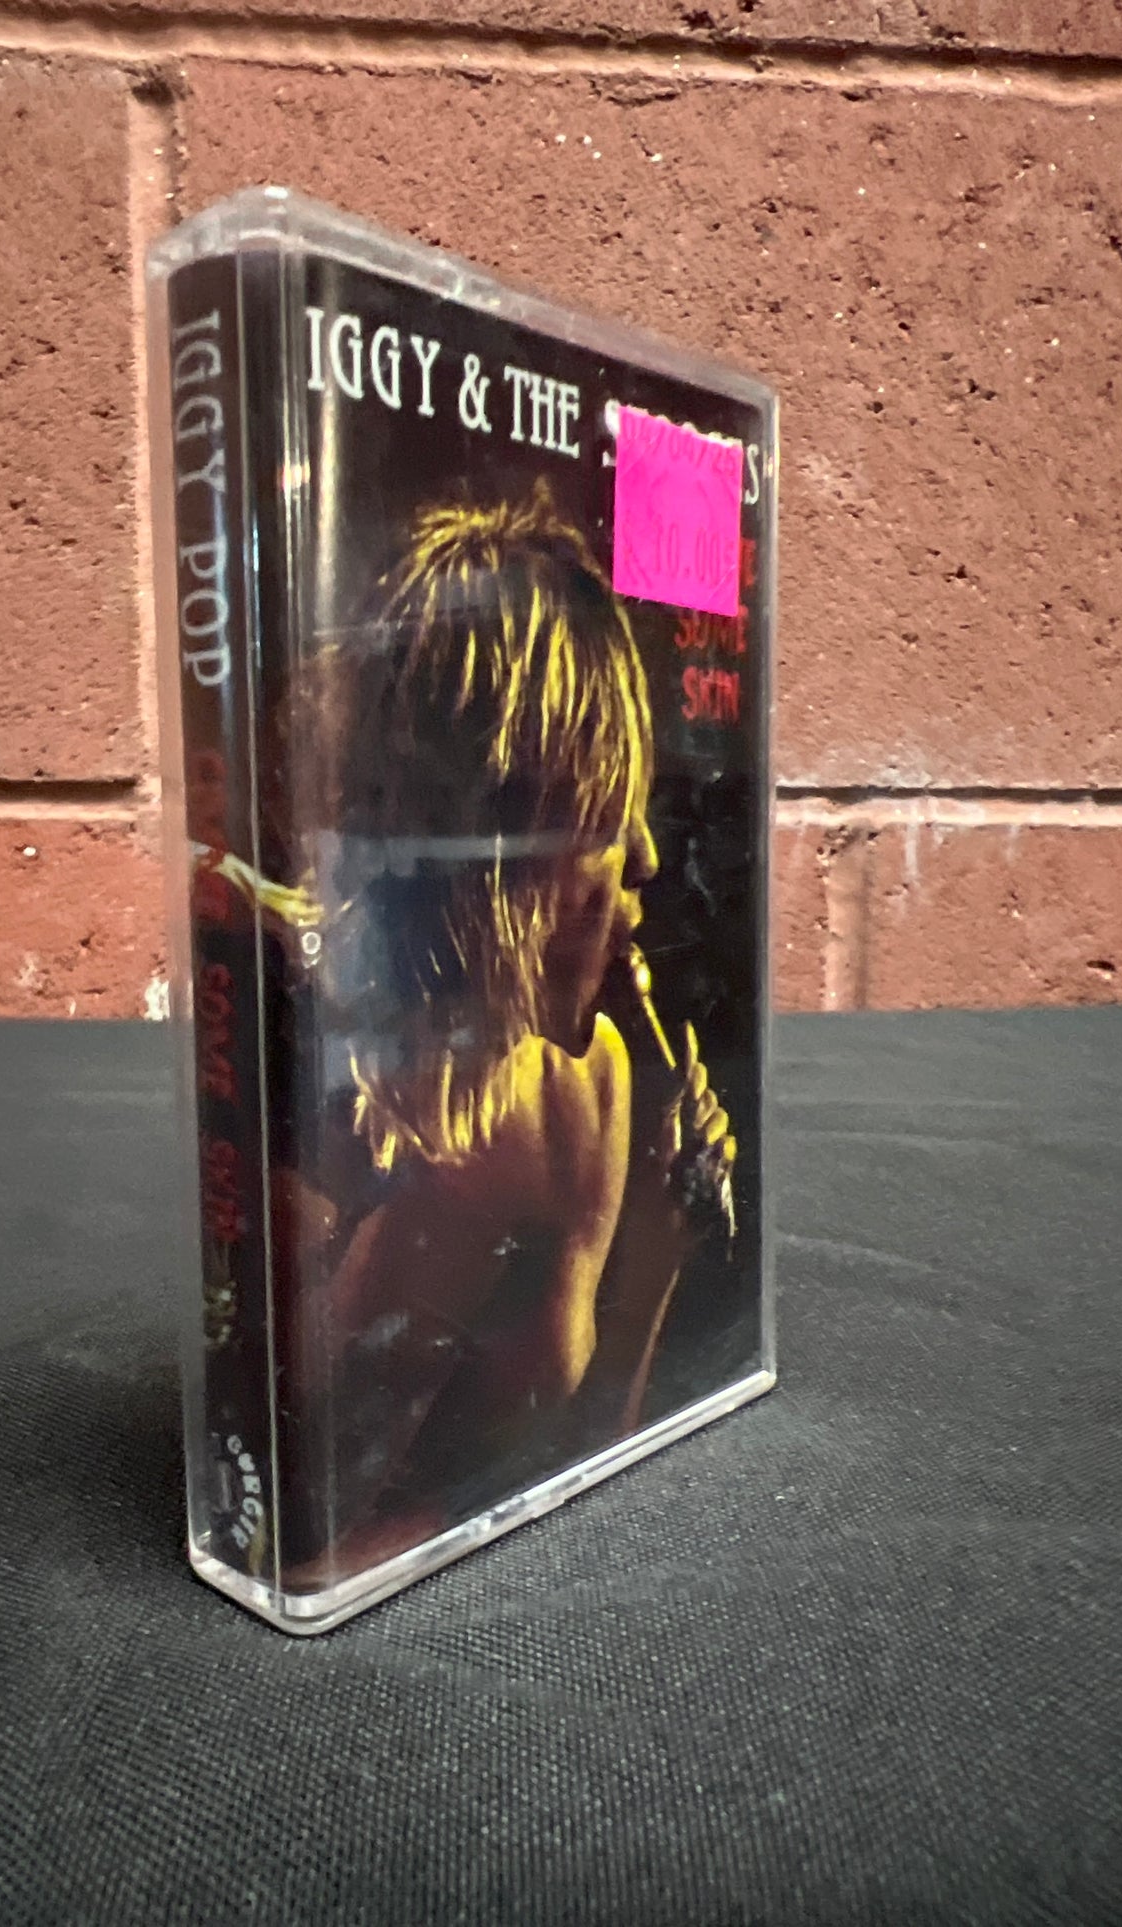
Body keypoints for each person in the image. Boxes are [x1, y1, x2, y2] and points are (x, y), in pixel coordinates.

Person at [264, 484, 737, 1585]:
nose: (645, 858)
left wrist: (658, 1255)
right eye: (601, 817)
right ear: (494, 848)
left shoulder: (596, 1082)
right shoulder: (316, 1103)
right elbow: (296, 1555)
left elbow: (592, 1456)